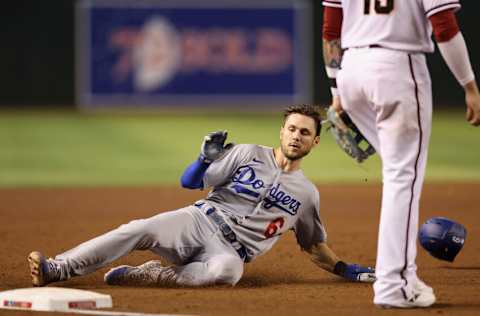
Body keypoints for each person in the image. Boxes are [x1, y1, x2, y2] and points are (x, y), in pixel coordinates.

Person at [28, 104, 375, 288]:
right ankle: (59, 268)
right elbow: (189, 182)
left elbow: (313, 246)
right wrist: (203, 160)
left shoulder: (307, 194)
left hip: (230, 252)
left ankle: (150, 275)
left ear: (315, 141)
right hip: (199, 220)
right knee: (138, 228)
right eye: (292, 129)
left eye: (305, 133)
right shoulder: (248, 153)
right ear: (281, 132)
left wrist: (345, 269)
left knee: (227, 273)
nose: (297, 136)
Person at [322, 0, 480, 309]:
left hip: (351, 71)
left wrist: (335, 90)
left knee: (397, 173)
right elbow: (445, 26)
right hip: (397, 67)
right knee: (402, 178)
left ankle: (402, 276)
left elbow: (330, 28)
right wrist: (469, 86)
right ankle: (394, 284)